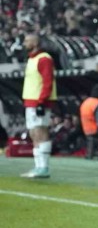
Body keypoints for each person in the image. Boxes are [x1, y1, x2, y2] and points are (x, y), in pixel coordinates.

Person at [20, 34, 57, 179]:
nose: (24, 43)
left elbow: (47, 81)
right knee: (34, 133)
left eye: (27, 41)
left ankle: (44, 167)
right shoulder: (32, 59)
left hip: (39, 102)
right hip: (31, 101)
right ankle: (38, 166)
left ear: (35, 43)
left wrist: (42, 101)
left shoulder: (44, 59)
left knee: (41, 132)